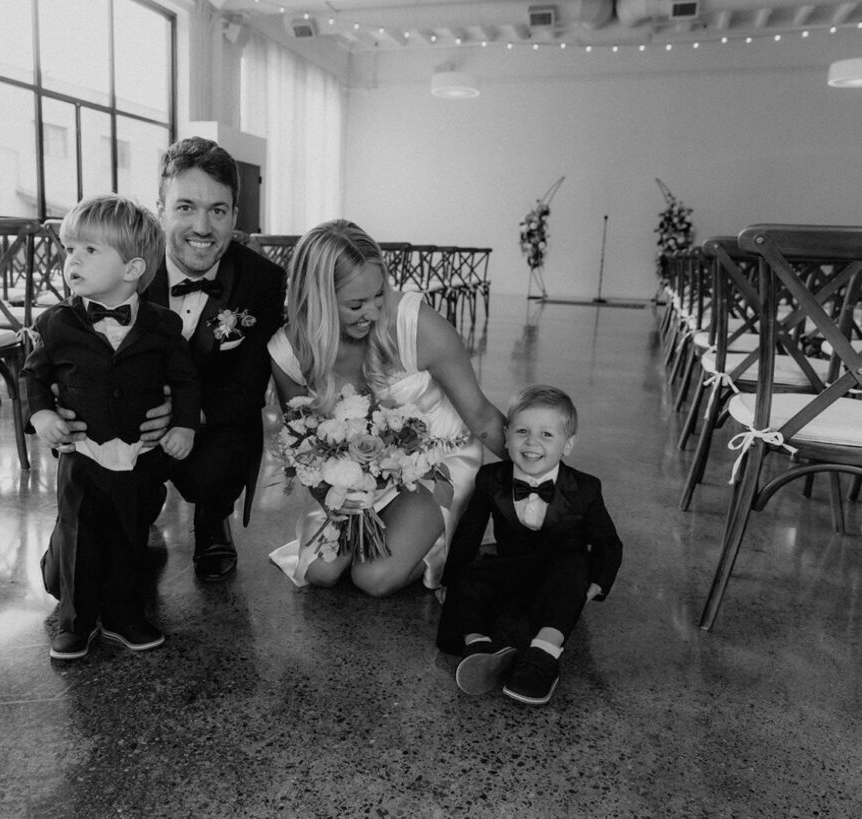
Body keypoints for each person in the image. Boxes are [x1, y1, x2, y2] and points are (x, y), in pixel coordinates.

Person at [52, 137, 286, 582]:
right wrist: (65, 413)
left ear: (235, 215)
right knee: (72, 573)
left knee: (222, 460)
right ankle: (139, 506)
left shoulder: (262, 280)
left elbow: (248, 383)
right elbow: (77, 351)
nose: (203, 226)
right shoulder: (119, 261)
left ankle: (212, 518)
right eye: (185, 207)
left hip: (209, 421)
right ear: (160, 209)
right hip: (127, 416)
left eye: (218, 210)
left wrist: (184, 414)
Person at [268, 219, 507, 596]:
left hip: (437, 461)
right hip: (354, 476)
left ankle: (445, 528)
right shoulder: (288, 353)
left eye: (379, 295)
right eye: (355, 304)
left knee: (373, 578)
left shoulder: (415, 324)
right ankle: (397, 533)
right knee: (322, 573)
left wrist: (544, 471)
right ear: (318, 301)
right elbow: (306, 449)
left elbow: (481, 416)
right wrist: (342, 496)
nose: (374, 311)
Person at [21, 194, 201, 661]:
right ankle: (75, 621)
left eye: (89, 250)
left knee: (130, 535)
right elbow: (34, 375)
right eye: (69, 250)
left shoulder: (163, 326)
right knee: (78, 535)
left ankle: (124, 613)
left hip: (139, 457)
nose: (72, 260)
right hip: (82, 455)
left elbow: (184, 380)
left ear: (133, 268)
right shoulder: (57, 323)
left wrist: (184, 425)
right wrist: (41, 415)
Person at [436, 385, 623, 705]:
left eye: (547, 435)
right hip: (514, 567)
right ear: (506, 436)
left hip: (561, 575)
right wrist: (450, 580)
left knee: (575, 564)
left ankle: (544, 653)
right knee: (468, 576)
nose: (532, 442)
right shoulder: (491, 478)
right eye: (522, 431)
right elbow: (470, 530)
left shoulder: (586, 488)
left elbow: (608, 543)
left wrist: (596, 586)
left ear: (568, 445)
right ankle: (481, 646)